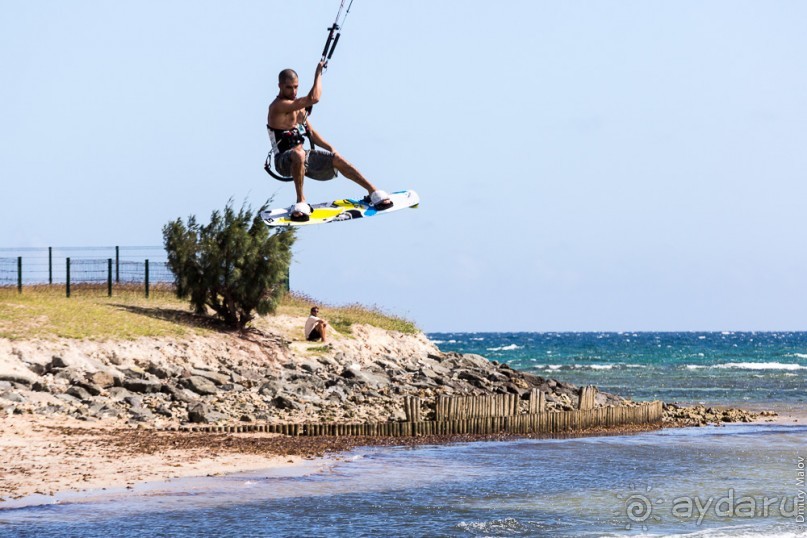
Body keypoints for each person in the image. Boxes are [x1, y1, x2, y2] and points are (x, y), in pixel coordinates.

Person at [267, 62, 394, 222]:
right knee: (299, 154)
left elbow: (311, 134)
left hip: (303, 157)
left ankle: (373, 192)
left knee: (337, 159)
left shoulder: (298, 107)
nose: (293, 91)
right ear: (279, 86)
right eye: (289, 88)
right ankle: (301, 202)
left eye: (296, 87)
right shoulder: (278, 106)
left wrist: (331, 149)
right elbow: (314, 98)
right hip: (283, 161)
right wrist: (318, 72)